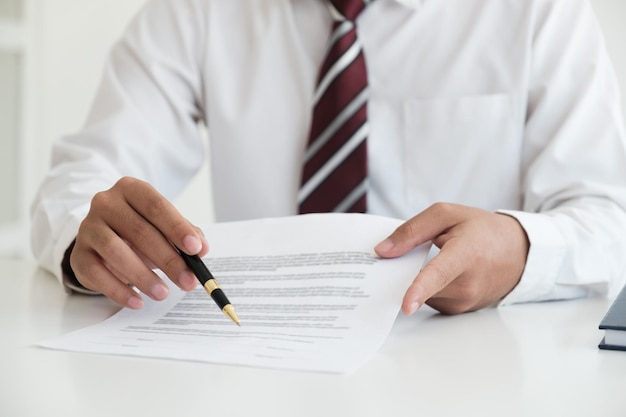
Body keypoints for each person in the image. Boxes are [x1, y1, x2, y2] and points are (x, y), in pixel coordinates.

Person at [31, 0, 626, 316]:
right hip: (262, 356)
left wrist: (521, 251)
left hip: (477, 364)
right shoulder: (196, 10)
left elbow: (609, 215)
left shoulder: (541, 10)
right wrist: (88, 236)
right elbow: (83, 179)